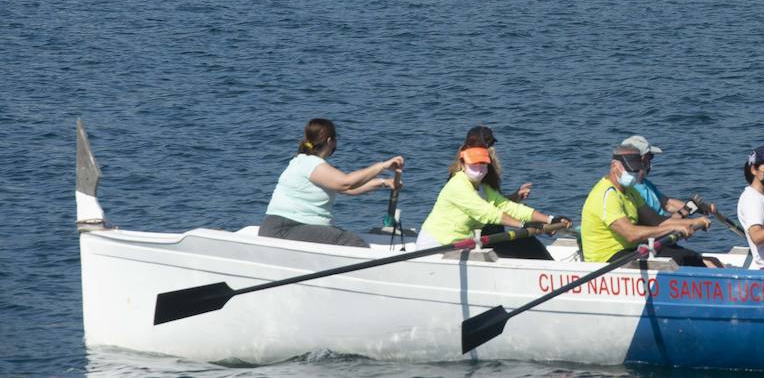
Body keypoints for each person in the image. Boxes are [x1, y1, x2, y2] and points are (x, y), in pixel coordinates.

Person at [260, 118, 404, 248]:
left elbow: (346, 190)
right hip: (285, 228)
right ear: (330, 141)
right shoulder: (309, 163)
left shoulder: (307, 162)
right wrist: (382, 166)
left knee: (339, 236)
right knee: (348, 240)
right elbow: (346, 183)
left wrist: (383, 183)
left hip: (286, 228)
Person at [419, 143, 568, 260]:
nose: (479, 168)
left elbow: (508, 206)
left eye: (482, 164)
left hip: (462, 244)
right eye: (473, 164)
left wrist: (549, 219)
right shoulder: (457, 185)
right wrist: (523, 225)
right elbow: (488, 213)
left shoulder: (482, 186)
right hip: (436, 248)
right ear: (462, 164)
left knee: (529, 244)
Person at [580, 143, 710, 266]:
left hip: (630, 250)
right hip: (606, 259)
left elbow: (656, 221)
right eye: (629, 170)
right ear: (614, 166)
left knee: (689, 257)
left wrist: (692, 222)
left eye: (636, 170)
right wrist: (674, 228)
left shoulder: (631, 191)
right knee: (679, 261)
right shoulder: (607, 195)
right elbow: (631, 234)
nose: (633, 174)